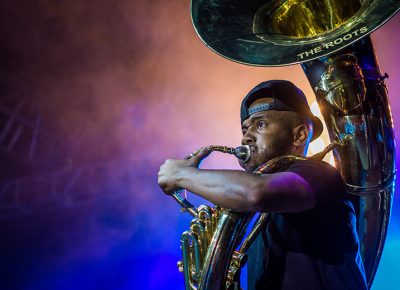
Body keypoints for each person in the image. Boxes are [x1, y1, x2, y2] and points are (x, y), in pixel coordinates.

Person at [157, 80, 367, 290]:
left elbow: (255, 192)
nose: (246, 137)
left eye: (261, 125)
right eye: (244, 129)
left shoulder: (318, 174)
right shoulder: (264, 214)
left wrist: (182, 175)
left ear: (299, 135)